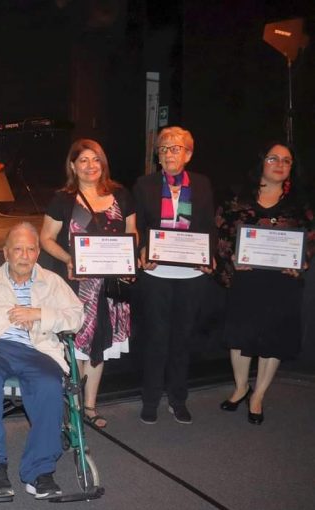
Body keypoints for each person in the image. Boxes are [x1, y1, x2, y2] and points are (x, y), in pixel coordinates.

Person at [0, 222, 84, 499]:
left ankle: (39, 472)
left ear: (38, 252)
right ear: (6, 253)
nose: (24, 255)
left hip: (38, 349)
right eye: (18, 249)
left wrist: (39, 314)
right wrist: (13, 313)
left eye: (30, 249)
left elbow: (76, 317)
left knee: (50, 384)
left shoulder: (53, 282)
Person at [39, 139, 136, 428]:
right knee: (74, 346)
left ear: (103, 163)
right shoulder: (63, 199)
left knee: (99, 346)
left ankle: (90, 405)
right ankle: (73, 407)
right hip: (75, 286)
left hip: (109, 287)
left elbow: (132, 232)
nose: (90, 166)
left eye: (96, 160)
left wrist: (129, 262)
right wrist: (70, 259)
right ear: (73, 165)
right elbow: (45, 238)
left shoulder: (121, 195)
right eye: (83, 160)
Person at [215, 142, 313, 425]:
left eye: (287, 160)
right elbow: (220, 232)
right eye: (274, 158)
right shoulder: (237, 197)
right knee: (240, 335)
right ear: (261, 162)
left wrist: (302, 260)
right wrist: (232, 256)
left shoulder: (300, 202)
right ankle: (240, 387)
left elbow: (310, 238)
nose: (280, 164)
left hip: (281, 283)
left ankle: (257, 395)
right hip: (246, 280)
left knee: (274, 338)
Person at [133, 126, 215, 425]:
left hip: (192, 275)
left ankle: (178, 399)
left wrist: (210, 255)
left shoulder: (203, 184)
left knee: (182, 340)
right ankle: (151, 399)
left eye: (176, 148)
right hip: (157, 273)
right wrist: (142, 250)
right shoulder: (145, 184)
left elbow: (208, 226)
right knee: (155, 338)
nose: (169, 153)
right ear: (158, 155)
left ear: (188, 154)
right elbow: (138, 225)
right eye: (164, 148)